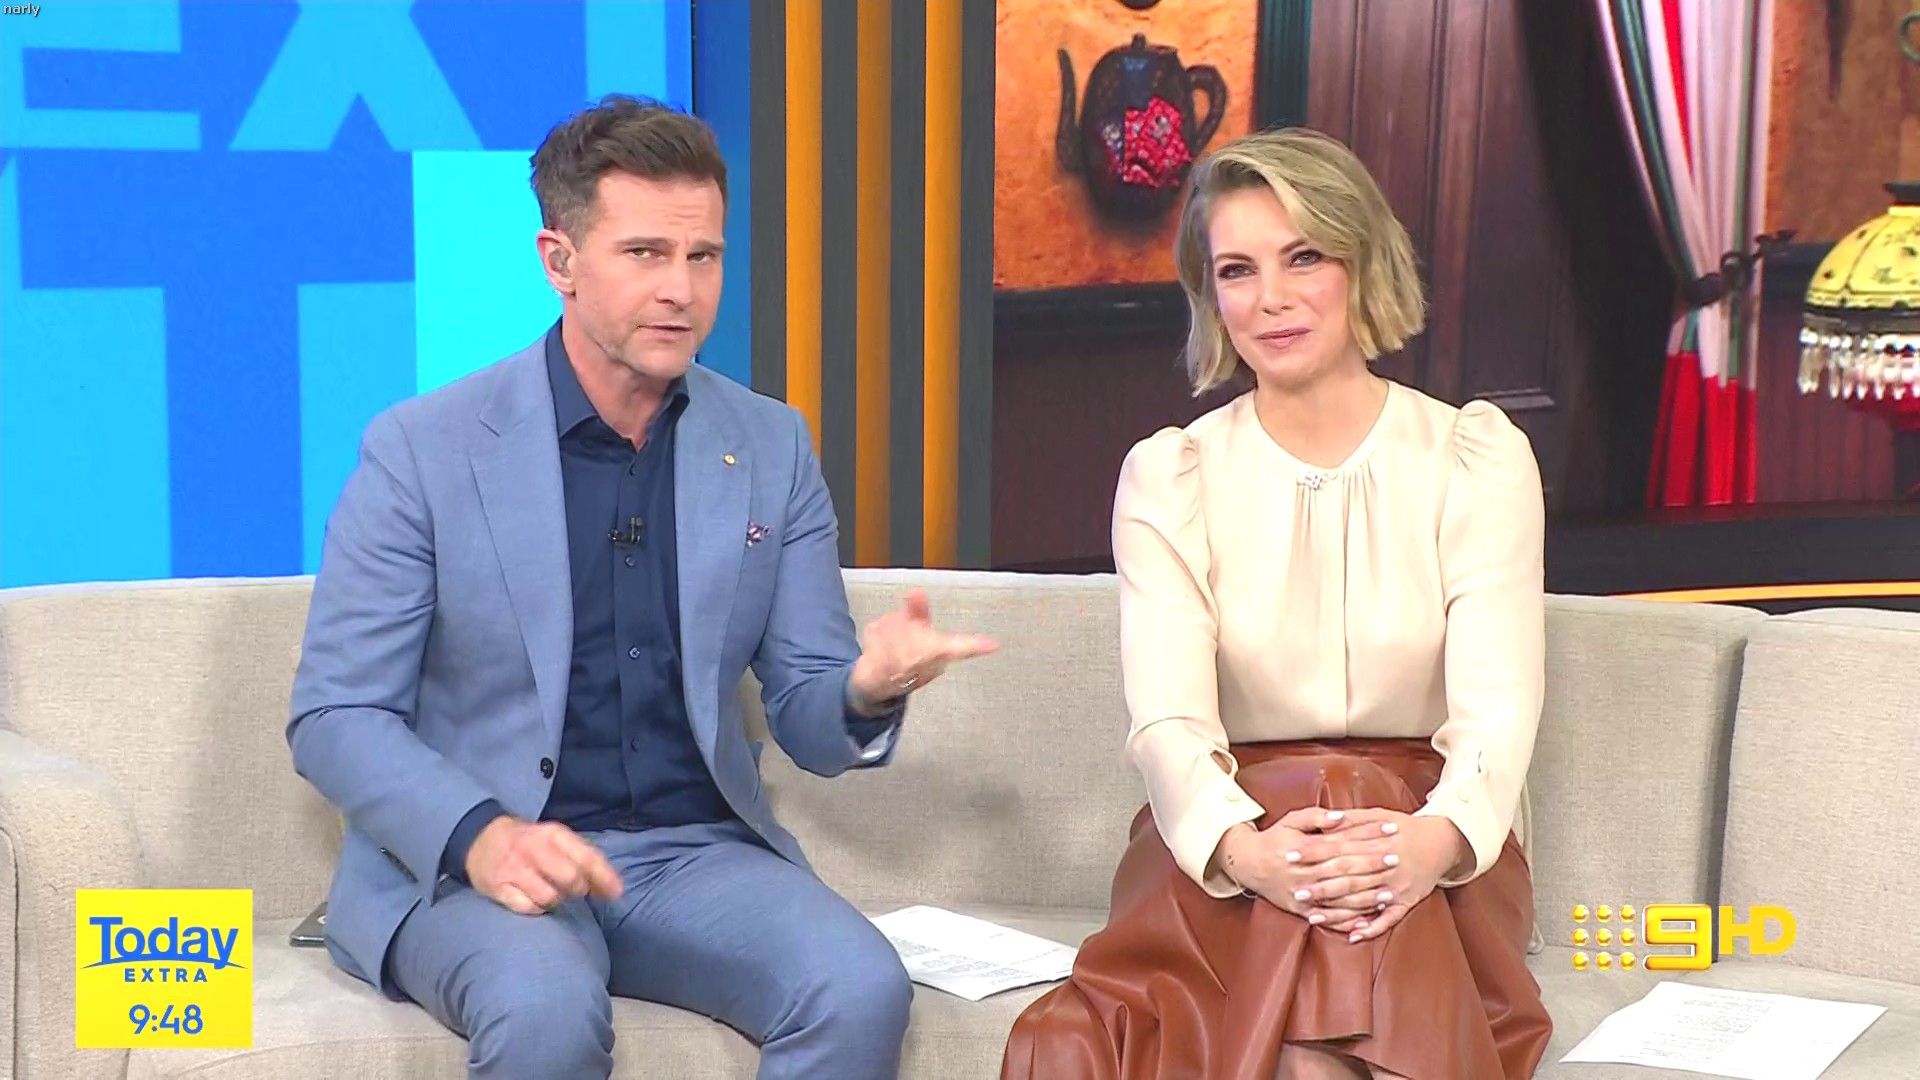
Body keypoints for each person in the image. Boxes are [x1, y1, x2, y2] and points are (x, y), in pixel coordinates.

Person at [288, 94, 997, 1080]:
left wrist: (865, 690)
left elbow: (808, 716)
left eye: (703, 256)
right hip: (483, 858)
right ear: (561, 261)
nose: (681, 290)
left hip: (690, 854)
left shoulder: (770, 445)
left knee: (857, 985)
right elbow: (335, 714)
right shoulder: (423, 449)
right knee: (545, 1009)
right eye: (645, 253)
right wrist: (481, 836)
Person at [1001, 127, 1552, 1080]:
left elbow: (1498, 713)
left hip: (1430, 842)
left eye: (1304, 258)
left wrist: (1428, 845)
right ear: (1211, 294)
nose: (1272, 298)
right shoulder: (1172, 476)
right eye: (1238, 270)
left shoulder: (1476, 459)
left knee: (1352, 826)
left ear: (1361, 262)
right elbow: (1169, 724)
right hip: (1231, 838)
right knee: (1313, 1009)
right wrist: (1247, 855)